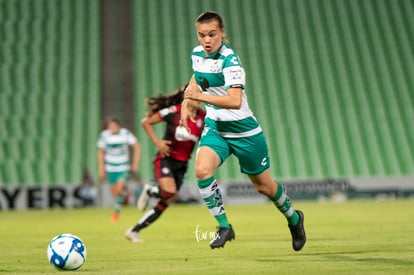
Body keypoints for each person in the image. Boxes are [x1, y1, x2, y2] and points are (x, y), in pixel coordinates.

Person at [180, 11, 306, 250]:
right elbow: (196, 78)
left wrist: (199, 96)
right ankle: (225, 226)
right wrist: (188, 100)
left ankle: (294, 217)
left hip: (244, 132)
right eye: (202, 35)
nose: (206, 40)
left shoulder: (231, 61)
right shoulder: (197, 54)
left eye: (212, 35)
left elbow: (234, 100)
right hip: (216, 128)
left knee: (264, 187)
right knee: (202, 169)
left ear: (222, 33)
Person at [125, 85, 206, 242]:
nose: (200, 97)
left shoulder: (203, 117)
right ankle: (149, 191)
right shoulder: (173, 111)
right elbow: (146, 122)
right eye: (197, 94)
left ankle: (133, 231)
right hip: (166, 159)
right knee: (170, 192)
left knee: (167, 200)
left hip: (182, 165)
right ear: (186, 96)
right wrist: (157, 142)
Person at [97, 117, 141, 222]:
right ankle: (124, 197)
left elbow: (137, 146)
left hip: (123, 166)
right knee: (115, 193)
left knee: (119, 188)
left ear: (118, 126)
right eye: (110, 126)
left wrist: (135, 163)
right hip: (110, 167)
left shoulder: (125, 133)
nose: (112, 128)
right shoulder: (104, 135)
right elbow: (100, 152)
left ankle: (116, 212)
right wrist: (101, 169)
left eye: (114, 126)